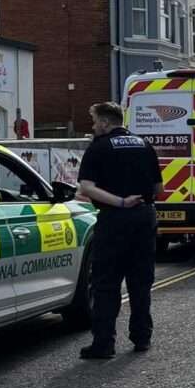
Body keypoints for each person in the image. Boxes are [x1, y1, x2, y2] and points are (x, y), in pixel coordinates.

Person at [77, 102, 162, 359]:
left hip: (114, 219)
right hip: (144, 218)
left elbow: (87, 187)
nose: (93, 127)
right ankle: (142, 337)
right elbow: (158, 189)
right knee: (141, 281)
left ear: (104, 122)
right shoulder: (144, 145)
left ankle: (104, 344)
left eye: (94, 122)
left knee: (106, 283)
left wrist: (120, 202)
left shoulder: (99, 147)